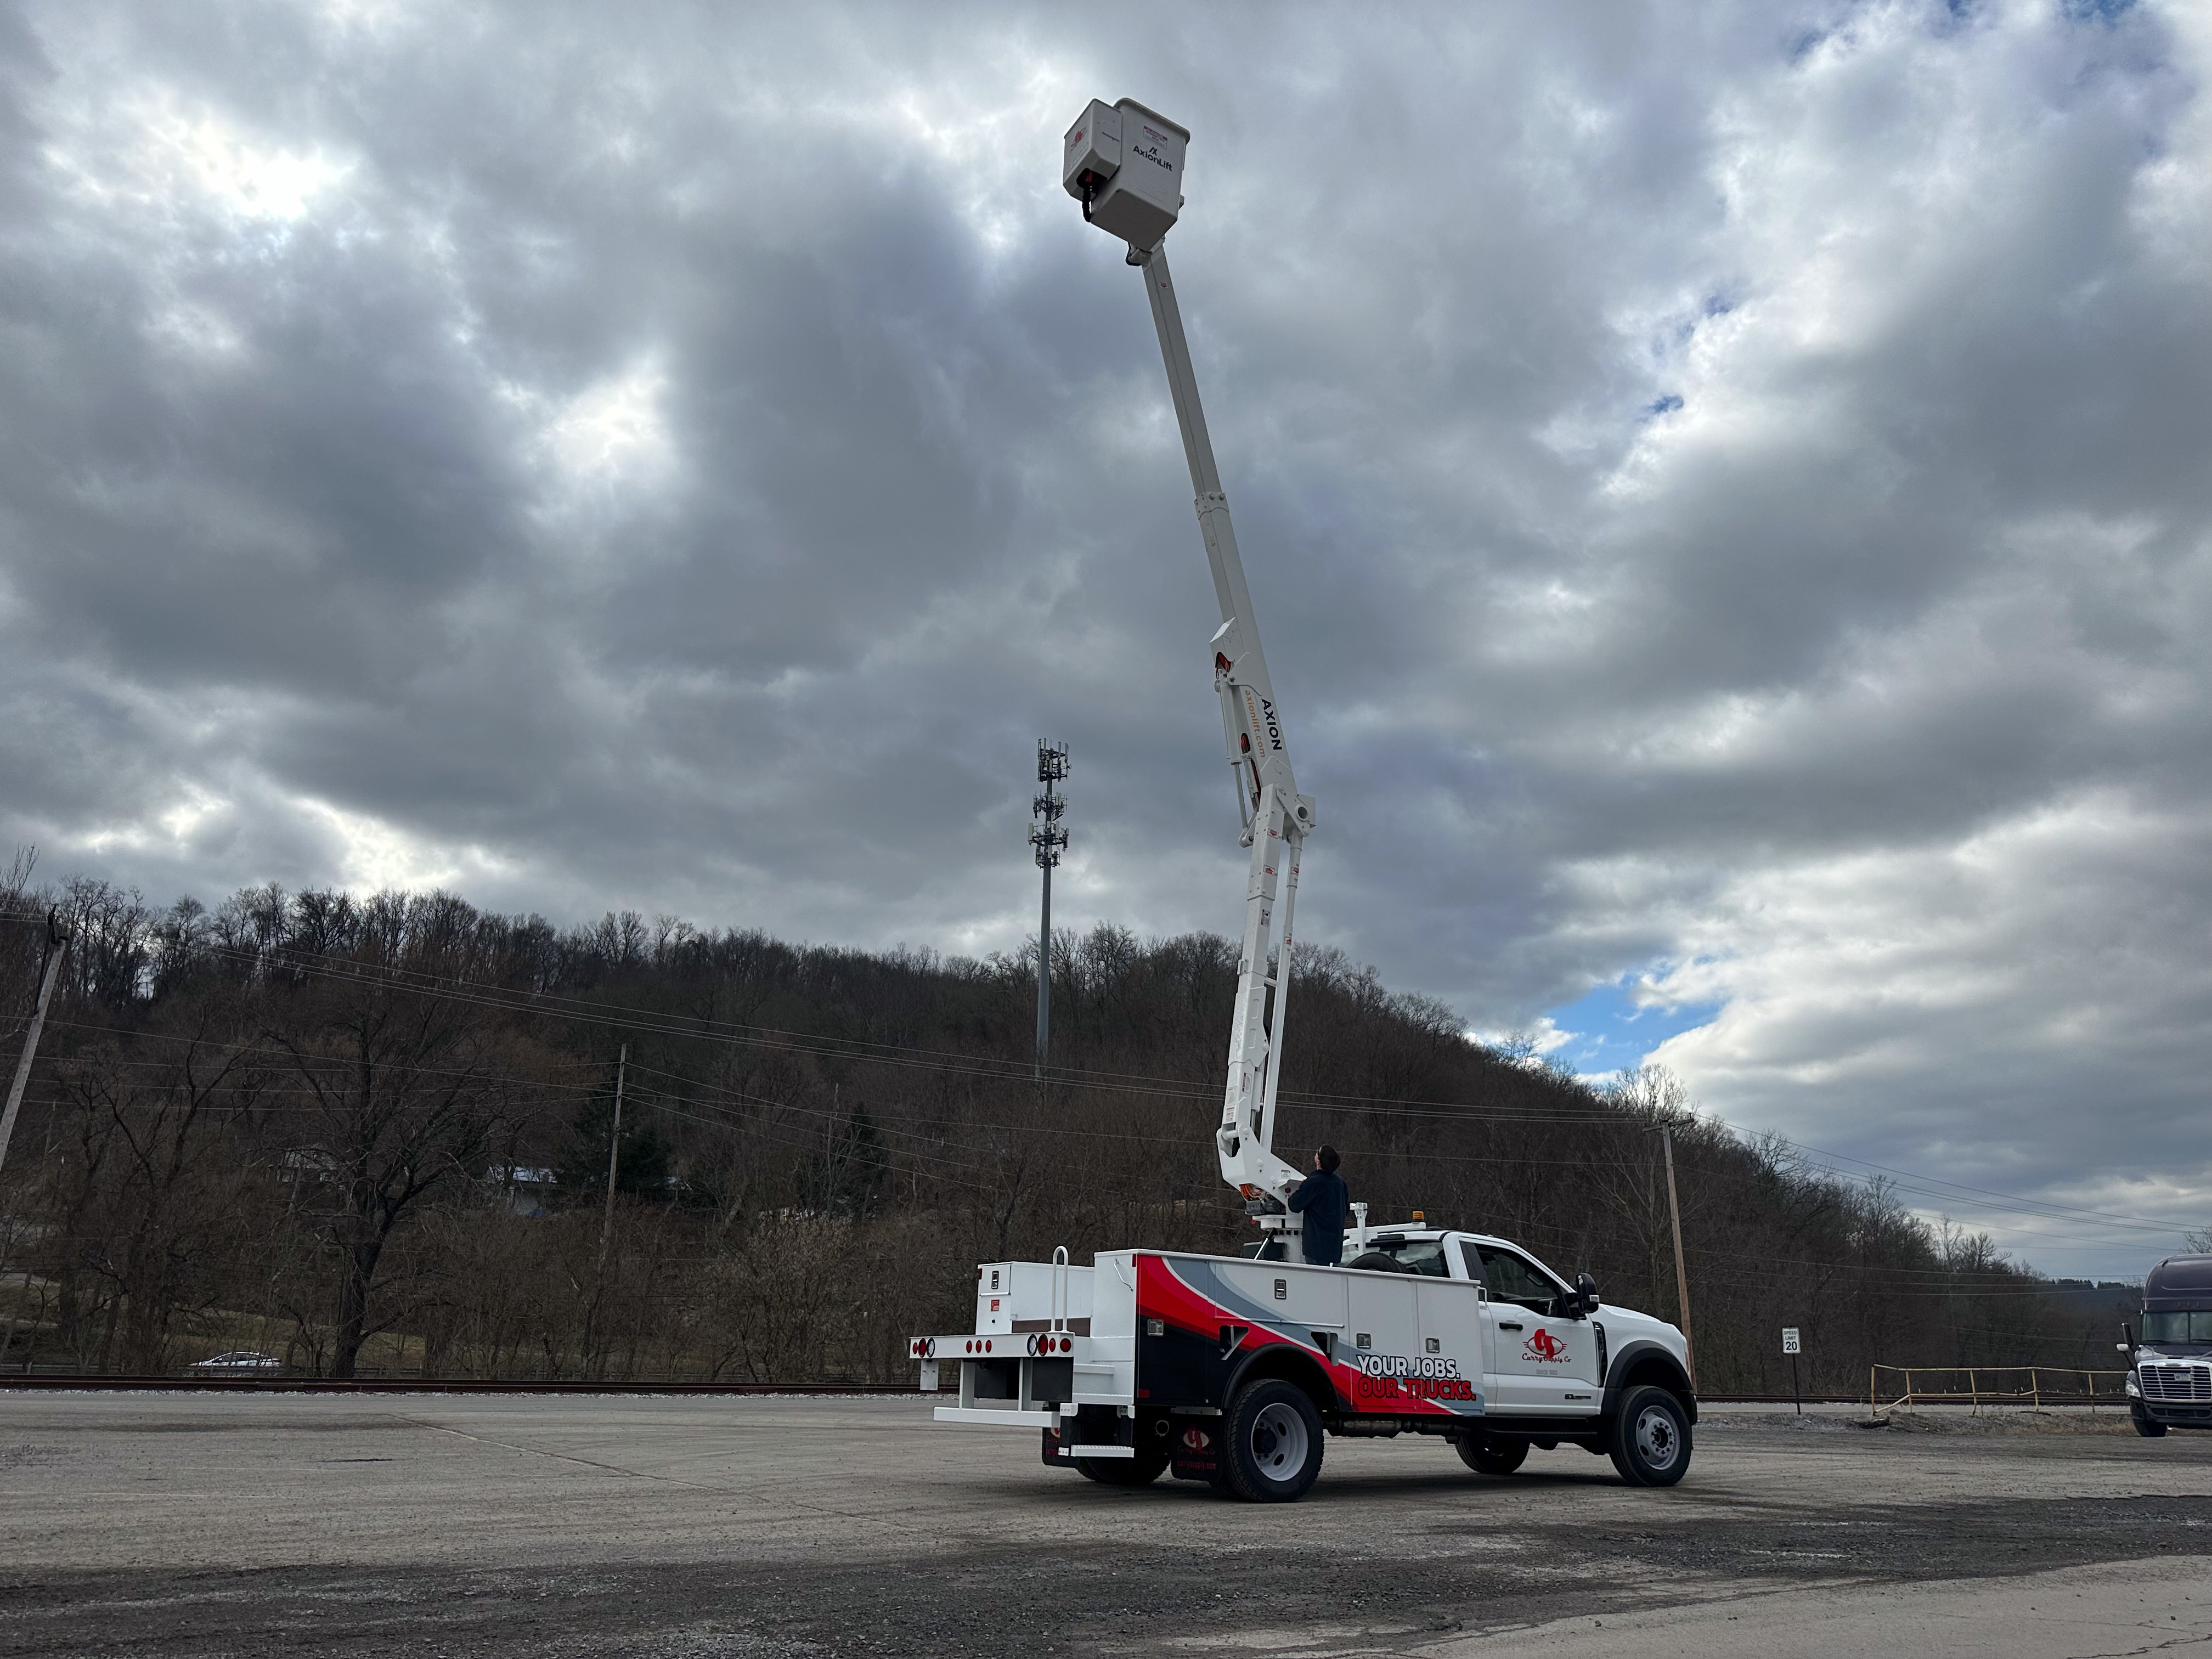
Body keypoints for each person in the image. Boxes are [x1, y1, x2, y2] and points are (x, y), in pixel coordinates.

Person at [1288, 1146, 1349, 1266]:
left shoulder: (1313, 1183)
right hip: (1335, 1248)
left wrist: (1301, 1189)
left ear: (1318, 1161)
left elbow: (1294, 1205)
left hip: (1316, 1248)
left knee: (1317, 1283)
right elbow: (1345, 1209)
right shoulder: (1341, 1184)